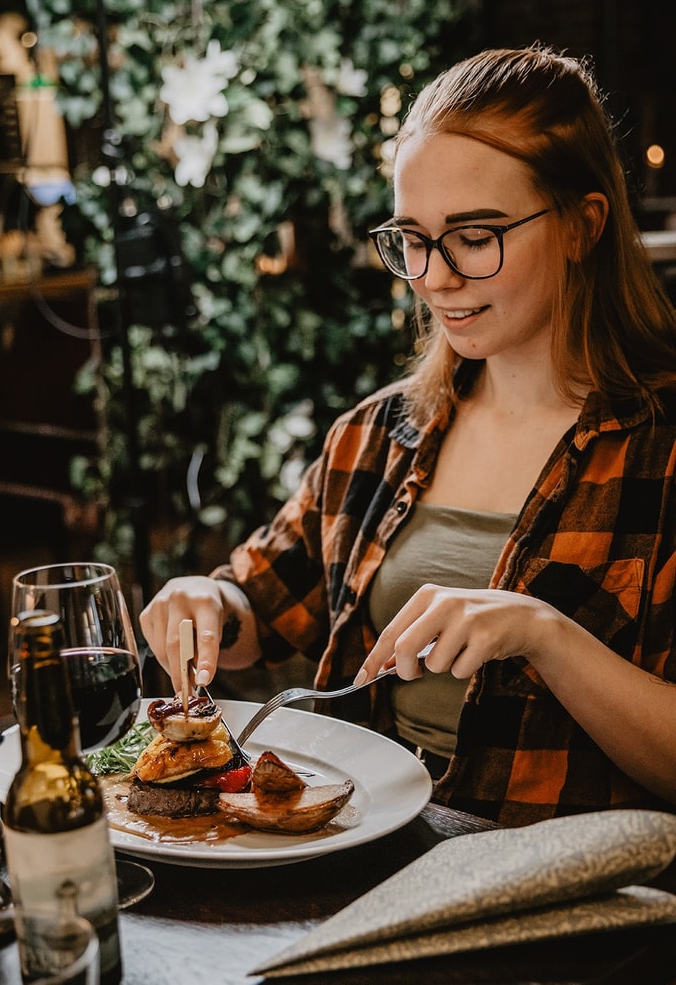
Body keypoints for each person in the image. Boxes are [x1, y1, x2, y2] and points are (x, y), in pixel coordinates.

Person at [139, 44, 676, 827]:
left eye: (476, 234)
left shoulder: (660, 449)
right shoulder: (379, 432)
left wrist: (546, 637)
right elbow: (262, 607)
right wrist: (208, 602)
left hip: (572, 897)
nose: (435, 277)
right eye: (413, 239)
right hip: (366, 853)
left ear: (582, 226)